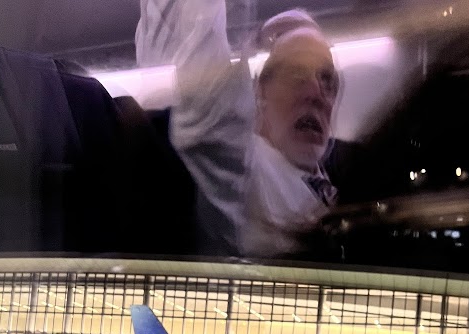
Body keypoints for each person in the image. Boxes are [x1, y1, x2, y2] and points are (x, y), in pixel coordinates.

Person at [135, 0, 340, 259]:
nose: (316, 94)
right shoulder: (241, 161)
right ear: (260, 93)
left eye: (327, 79)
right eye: (296, 74)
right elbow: (207, 102)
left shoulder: (341, 181)